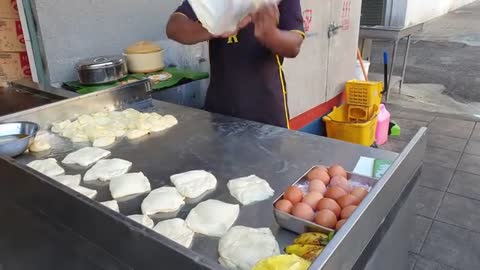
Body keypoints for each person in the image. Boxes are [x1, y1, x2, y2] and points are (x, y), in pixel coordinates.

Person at [167, 0, 305, 128]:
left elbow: (294, 45)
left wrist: (270, 34)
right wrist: (215, 27)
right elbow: (174, 27)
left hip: (267, 111)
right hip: (220, 109)